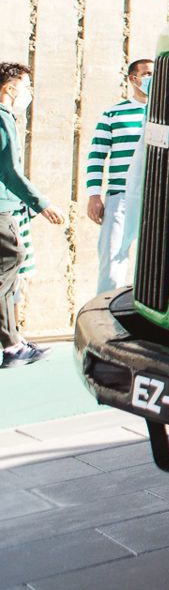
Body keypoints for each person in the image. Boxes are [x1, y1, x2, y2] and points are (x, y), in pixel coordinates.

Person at [0, 61, 62, 366]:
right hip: (2, 210)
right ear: (9, 89)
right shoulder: (2, 119)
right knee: (10, 267)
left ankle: (14, 341)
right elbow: (9, 170)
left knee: (10, 275)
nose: (28, 92)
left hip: (9, 207)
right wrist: (42, 203)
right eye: (25, 86)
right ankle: (11, 345)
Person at [85, 59, 151, 294]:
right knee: (113, 258)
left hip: (157, 197)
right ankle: (105, 316)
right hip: (120, 196)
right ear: (134, 79)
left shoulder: (167, 113)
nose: (152, 78)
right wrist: (94, 196)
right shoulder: (113, 113)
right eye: (147, 73)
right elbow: (96, 156)